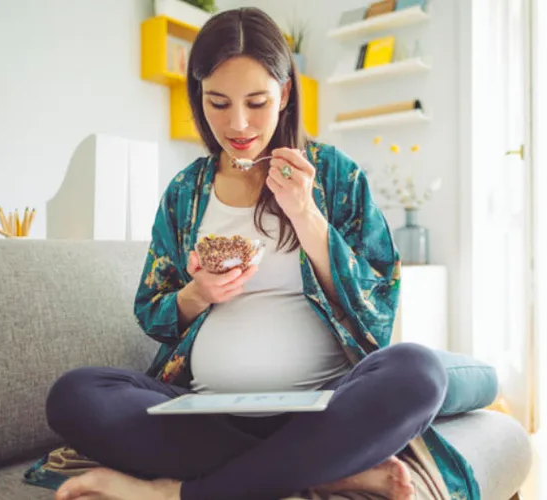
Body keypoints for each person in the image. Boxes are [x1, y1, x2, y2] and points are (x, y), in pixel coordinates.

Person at [38, 7, 480, 500]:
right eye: (218, 103)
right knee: (75, 396)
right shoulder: (186, 192)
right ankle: (321, 470)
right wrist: (195, 294)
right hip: (206, 413)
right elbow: (152, 312)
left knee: (418, 373)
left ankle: (175, 493)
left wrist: (307, 216)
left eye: (257, 101)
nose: (239, 123)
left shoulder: (333, 175)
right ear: (198, 97)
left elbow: (378, 313)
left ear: (285, 93)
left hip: (324, 410)